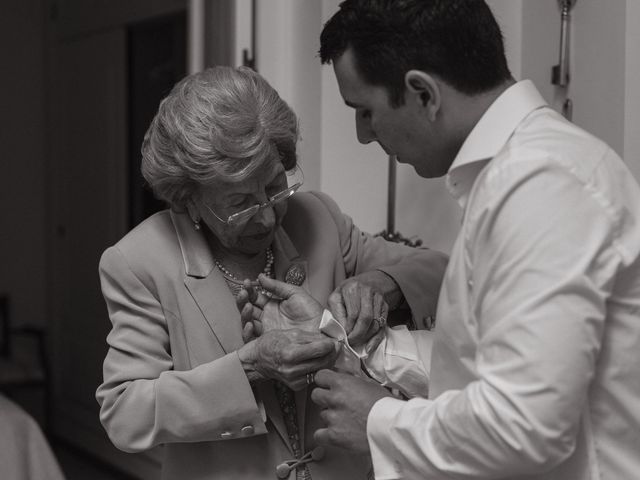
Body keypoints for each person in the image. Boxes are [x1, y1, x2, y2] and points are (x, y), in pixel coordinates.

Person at [283, 0, 640, 479]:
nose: (365, 136)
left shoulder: (544, 184)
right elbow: (476, 362)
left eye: (365, 112)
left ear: (422, 94)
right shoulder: (513, 176)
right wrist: (338, 337)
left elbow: (526, 427)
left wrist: (379, 421)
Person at [95, 65, 447, 480]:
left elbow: (441, 270)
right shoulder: (140, 262)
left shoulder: (316, 217)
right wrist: (249, 367)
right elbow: (125, 413)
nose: (266, 218)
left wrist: (381, 284)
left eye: (276, 187)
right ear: (187, 200)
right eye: (240, 203)